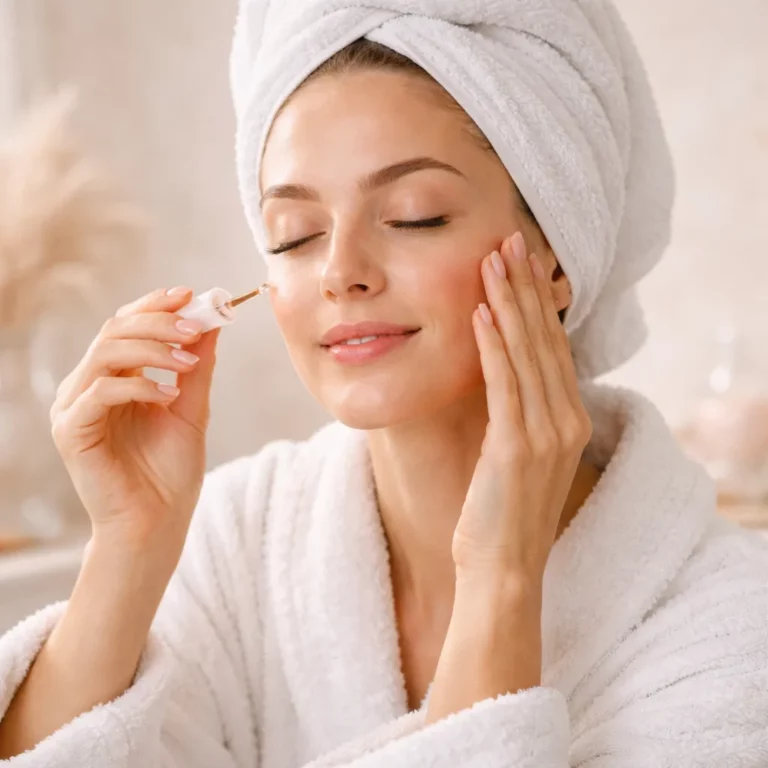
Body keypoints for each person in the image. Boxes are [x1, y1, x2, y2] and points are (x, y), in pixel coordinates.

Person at [1, 2, 767, 766]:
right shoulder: (242, 541)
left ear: (556, 255)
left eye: (414, 216)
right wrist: (127, 547)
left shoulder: (730, 626)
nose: (338, 273)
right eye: (293, 235)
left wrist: (501, 579)